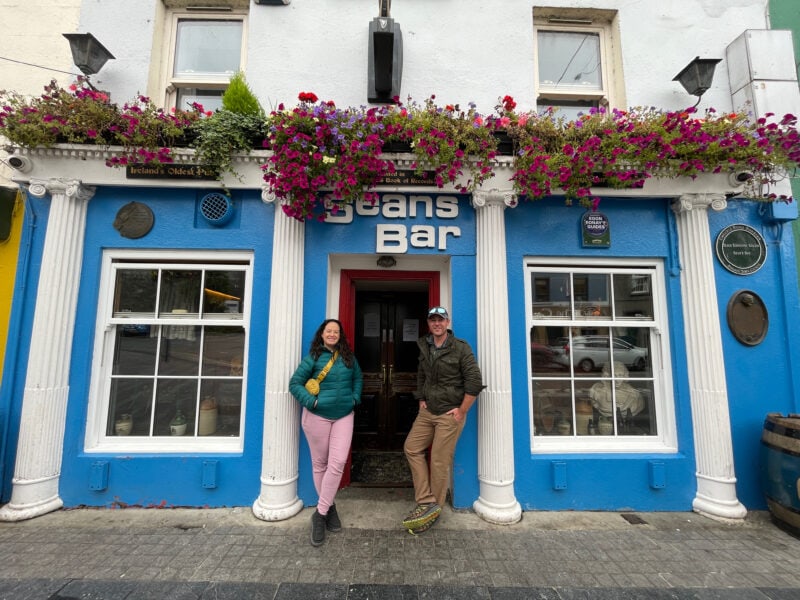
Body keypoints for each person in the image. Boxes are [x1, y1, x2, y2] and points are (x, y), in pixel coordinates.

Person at [402, 306, 484, 534]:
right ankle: (426, 500)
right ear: (428, 323)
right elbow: (422, 374)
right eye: (433, 320)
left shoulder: (460, 348)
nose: (437, 324)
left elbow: (474, 381)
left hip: (450, 413)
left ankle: (432, 509)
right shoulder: (425, 345)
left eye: (441, 320)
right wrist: (421, 398)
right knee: (412, 448)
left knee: (438, 461)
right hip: (428, 411)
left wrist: (462, 411)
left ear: (447, 322)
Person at [289, 318, 363, 546]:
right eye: (328, 331)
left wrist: (355, 398)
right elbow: (295, 384)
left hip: (344, 415)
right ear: (322, 334)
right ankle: (329, 508)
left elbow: (358, 378)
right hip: (317, 417)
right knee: (320, 464)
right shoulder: (313, 357)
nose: (332, 334)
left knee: (338, 462)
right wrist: (311, 403)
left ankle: (319, 514)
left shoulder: (349, 357)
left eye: (336, 331)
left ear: (340, 335)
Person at [589, 361, 644, 432]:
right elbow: (594, 403)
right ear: (607, 375)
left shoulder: (634, 394)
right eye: (614, 376)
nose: (617, 380)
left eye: (620, 375)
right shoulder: (597, 390)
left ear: (624, 375)